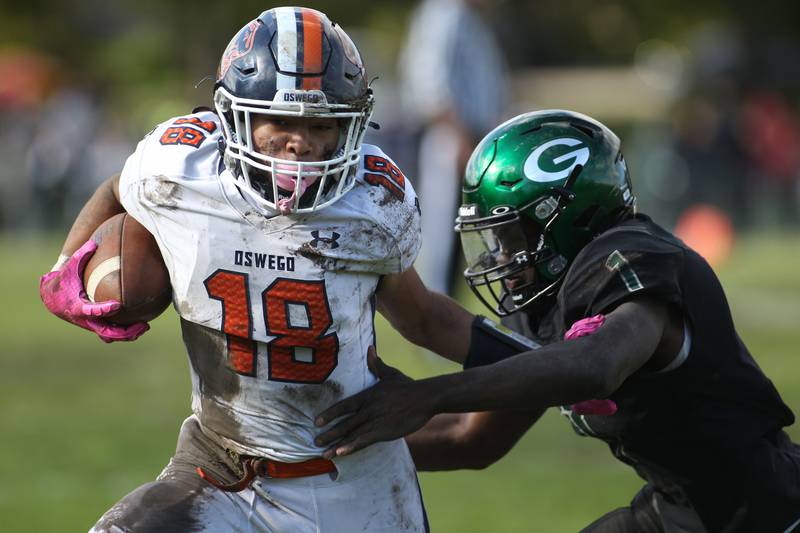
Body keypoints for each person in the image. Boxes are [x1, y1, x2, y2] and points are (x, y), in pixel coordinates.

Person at [37, 7, 506, 531]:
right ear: (232, 116)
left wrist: (539, 364)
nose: (301, 141)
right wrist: (64, 268)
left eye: (321, 124)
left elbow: (424, 318)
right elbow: (118, 186)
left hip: (354, 480)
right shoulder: (182, 168)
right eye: (281, 121)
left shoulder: (373, 203)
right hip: (221, 465)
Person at [315, 110, 800, 533]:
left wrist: (426, 395)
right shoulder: (549, 299)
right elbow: (470, 437)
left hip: (766, 512)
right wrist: (313, 453)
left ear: (563, 218)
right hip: (679, 511)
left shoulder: (631, 258)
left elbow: (597, 365)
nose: (498, 256)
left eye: (508, 234)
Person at [398, 0, 509, 295]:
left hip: (475, 138)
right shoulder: (444, 13)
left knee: (473, 236)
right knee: (442, 240)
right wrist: (458, 137)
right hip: (451, 137)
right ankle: (434, 320)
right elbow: (430, 83)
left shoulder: (469, 18)